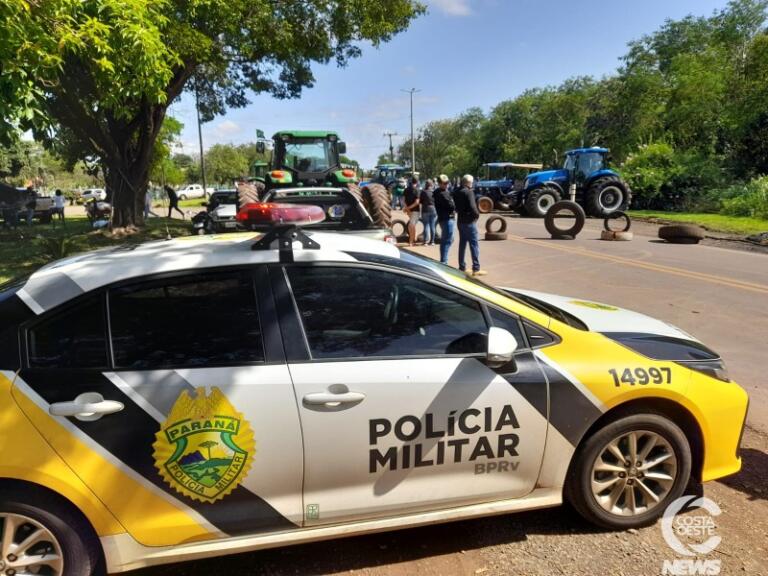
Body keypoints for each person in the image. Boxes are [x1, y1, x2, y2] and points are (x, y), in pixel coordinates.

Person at [453, 174, 486, 276]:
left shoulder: (456, 191)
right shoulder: (469, 192)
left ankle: (461, 266)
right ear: (469, 183)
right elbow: (473, 207)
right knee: (474, 244)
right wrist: (476, 215)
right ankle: (476, 268)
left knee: (462, 244)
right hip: (469, 222)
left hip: (460, 221)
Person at [434, 174, 455, 264]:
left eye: (447, 183)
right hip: (447, 219)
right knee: (446, 241)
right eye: (444, 183)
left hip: (443, 219)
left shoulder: (437, 192)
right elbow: (452, 206)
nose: (446, 185)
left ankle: (443, 260)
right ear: (439, 183)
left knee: (447, 240)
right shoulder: (443, 193)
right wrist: (453, 202)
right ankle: (444, 262)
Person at [403, 175, 421, 246]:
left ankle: (413, 239)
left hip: (409, 210)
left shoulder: (406, 189)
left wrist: (407, 208)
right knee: (411, 225)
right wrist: (409, 208)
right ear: (417, 181)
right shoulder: (417, 190)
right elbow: (417, 202)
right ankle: (412, 241)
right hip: (415, 210)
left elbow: (404, 200)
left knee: (411, 225)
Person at [420, 179, 438, 246]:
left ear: (426, 184)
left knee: (426, 225)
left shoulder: (423, 192)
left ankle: (425, 241)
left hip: (425, 209)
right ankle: (432, 241)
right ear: (431, 184)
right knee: (432, 225)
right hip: (433, 209)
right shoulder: (434, 192)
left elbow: (421, 201)